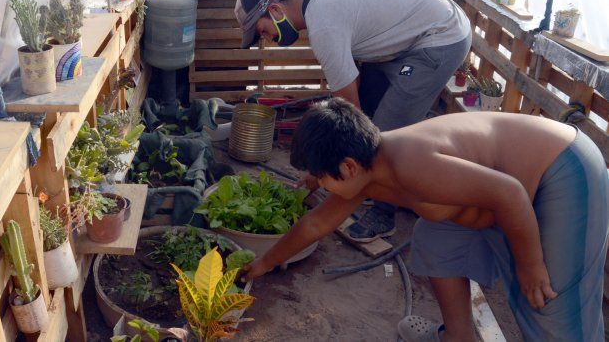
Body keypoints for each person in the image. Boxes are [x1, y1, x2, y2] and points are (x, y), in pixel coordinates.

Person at [240, 99, 608, 341]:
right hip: (506, 191)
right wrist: (264, 263)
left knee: (548, 306)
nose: (318, 186)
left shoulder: (412, 164)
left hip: (561, 170)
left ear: (348, 166)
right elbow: (315, 225)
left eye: (321, 177)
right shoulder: (368, 170)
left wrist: (530, 265)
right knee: (435, 234)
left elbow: (509, 193)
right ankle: (458, 337)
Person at [234, 0, 471, 241]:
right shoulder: (316, 0)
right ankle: (384, 185)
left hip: (440, 37)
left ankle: (384, 214)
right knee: (373, 112)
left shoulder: (323, 24)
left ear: (276, 11)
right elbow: (354, 85)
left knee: (386, 134)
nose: (269, 39)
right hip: (414, 34)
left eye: (263, 31)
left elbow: (350, 114)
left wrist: (320, 171)